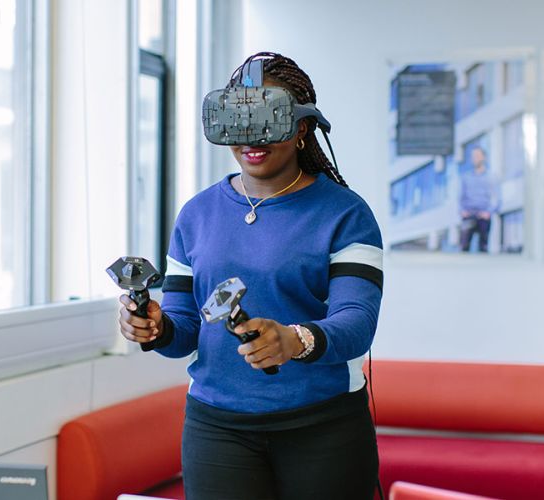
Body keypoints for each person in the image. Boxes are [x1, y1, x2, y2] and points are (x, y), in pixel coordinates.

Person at [117, 52, 384, 499]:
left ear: (302, 127)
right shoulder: (196, 215)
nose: (251, 138)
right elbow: (185, 333)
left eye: (269, 121)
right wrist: (155, 328)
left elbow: (357, 322)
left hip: (322, 430)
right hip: (217, 431)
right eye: (238, 122)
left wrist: (294, 340)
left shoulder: (346, 214)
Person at [458, 147, 499, 253]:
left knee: (483, 247)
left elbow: (495, 198)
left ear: (483, 158)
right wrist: (462, 211)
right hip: (469, 214)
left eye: (477, 156)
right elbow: (460, 197)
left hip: (483, 215)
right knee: (464, 246)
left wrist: (488, 212)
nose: (474, 158)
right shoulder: (466, 177)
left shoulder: (491, 177)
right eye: (473, 156)